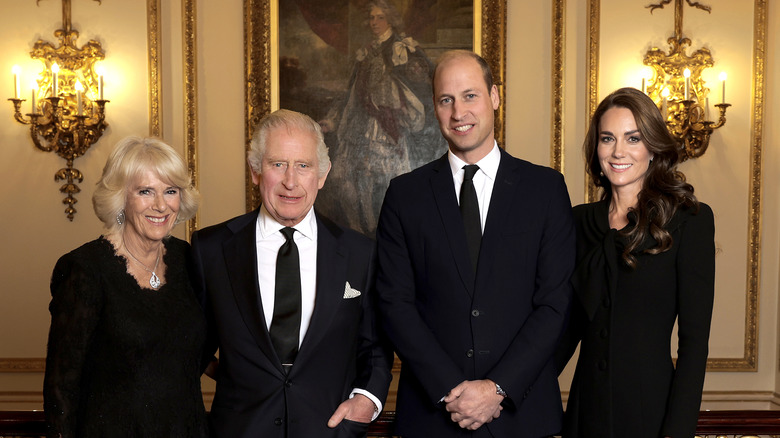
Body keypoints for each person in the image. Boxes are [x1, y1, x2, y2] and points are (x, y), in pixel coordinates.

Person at [375, 50, 576, 437]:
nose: (458, 112)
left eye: (470, 96)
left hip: (523, 416)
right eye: (445, 100)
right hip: (433, 416)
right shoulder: (405, 195)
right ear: (434, 107)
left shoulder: (545, 189)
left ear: (495, 97)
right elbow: (394, 304)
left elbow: (554, 304)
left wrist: (497, 389)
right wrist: (453, 393)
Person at [191, 109, 393, 438]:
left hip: (329, 429)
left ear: (322, 174)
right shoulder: (211, 249)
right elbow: (189, 351)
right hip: (239, 430)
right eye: (277, 164)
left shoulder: (360, 253)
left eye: (303, 165)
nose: (290, 181)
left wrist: (366, 402)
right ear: (255, 170)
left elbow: (375, 348)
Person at [556, 87, 715, 438]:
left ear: (653, 147)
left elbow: (694, 343)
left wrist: (677, 431)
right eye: (607, 138)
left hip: (651, 414)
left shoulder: (690, 220)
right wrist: (506, 391)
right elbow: (562, 328)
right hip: (585, 413)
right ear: (595, 148)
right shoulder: (578, 222)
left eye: (633, 138)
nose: (618, 151)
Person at [43, 136, 206, 438]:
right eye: (145, 191)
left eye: (170, 191)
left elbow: (193, 347)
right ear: (120, 198)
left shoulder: (189, 259)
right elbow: (61, 386)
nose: (161, 205)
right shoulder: (85, 269)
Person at [319, 0, 446, 236]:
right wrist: (334, 119)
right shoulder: (365, 52)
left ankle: (393, 230)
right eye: (371, 17)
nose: (374, 22)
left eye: (380, 17)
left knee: (391, 180)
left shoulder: (403, 48)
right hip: (361, 123)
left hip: (391, 124)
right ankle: (363, 230)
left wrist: (397, 96)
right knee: (351, 177)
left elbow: (422, 85)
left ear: (390, 20)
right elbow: (352, 92)